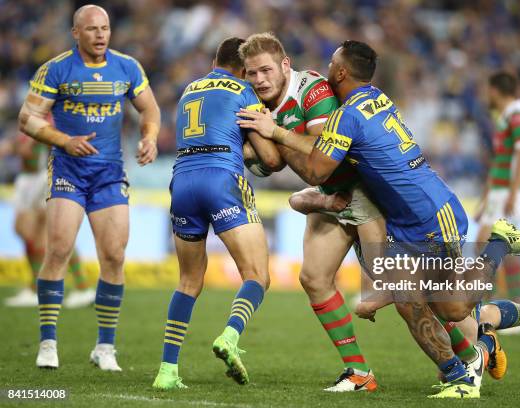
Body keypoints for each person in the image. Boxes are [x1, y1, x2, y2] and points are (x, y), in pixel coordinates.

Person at [238, 40, 520, 398]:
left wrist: (274, 132)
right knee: (414, 300)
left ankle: (498, 247)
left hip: (431, 212)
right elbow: (324, 153)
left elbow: (318, 169)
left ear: (340, 72)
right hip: (406, 216)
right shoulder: (373, 98)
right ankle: (460, 373)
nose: (325, 70)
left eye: (331, 64)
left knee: (453, 305)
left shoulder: (348, 115)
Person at [17, 4, 160, 371]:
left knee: (113, 256)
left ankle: (105, 347)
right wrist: (63, 140)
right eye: (92, 29)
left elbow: (150, 110)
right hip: (68, 171)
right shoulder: (56, 68)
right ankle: (48, 342)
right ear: (76, 33)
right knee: (59, 249)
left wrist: (150, 138)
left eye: (106, 28)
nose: (100, 35)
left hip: (109, 173)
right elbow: (27, 119)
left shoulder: (127, 67)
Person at [238, 32, 383, 392]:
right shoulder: (255, 103)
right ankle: (358, 372)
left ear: (285, 65)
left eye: (266, 70)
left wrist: (272, 137)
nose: (259, 80)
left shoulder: (313, 91)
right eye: (251, 74)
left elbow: (322, 158)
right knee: (314, 279)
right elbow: (262, 163)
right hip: (332, 195)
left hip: (366, 192)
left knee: (407, 293)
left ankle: (473, 345)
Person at [152, 37, 283, 390]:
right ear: (243, 67)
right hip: (222, 180)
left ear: (214, 61)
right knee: (257, 274)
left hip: (182, 182)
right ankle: (230, 336)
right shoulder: (244, 90)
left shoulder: (189, 90)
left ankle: (166, 372)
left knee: (188, 281)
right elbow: (270, 160)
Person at [3, 132, 95, 309]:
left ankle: (79, 286)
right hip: (25, 180)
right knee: (23, 231)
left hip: (41, 178)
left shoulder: (49, 118)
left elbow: (31, 151)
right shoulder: (30, 116)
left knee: (48, 234)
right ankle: (37, 285)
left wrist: (19, 146)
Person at [475, 72, 520, 302]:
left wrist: (513, 191)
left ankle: (500, 305)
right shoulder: (505, 117)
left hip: (512, 192)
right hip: (500, 192)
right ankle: (499, 305)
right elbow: (498, 161)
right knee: (492, 246)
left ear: (494, 90)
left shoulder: (518, 117)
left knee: (490, 242)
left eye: (487, 91)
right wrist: (484, 201)